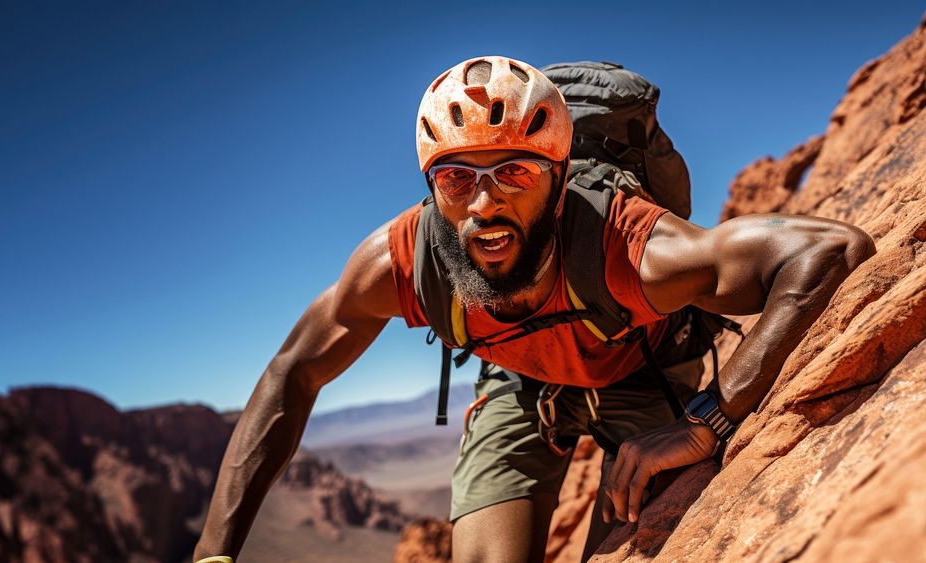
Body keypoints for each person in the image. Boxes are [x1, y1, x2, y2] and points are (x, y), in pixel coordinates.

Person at [192, 56, 874, 563]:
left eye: (512, 172)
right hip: (521, 387)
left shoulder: (625, 243)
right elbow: (293, 372)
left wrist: (712, 416)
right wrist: (214, 553)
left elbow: (830, 250)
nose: (483, 204)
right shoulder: (401, 259)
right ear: (432, 188)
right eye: (457, 178)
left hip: (641, 370)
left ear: (556, 177)